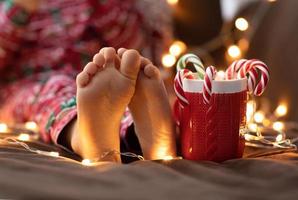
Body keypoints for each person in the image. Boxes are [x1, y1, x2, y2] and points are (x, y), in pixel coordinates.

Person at [0, 0, 176, 162]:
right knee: (54, 94)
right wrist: (19, 8)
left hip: (94, 75)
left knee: (118, 93)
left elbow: (132, 45)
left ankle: (138, 133)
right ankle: (85, 135)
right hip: (25, 85)